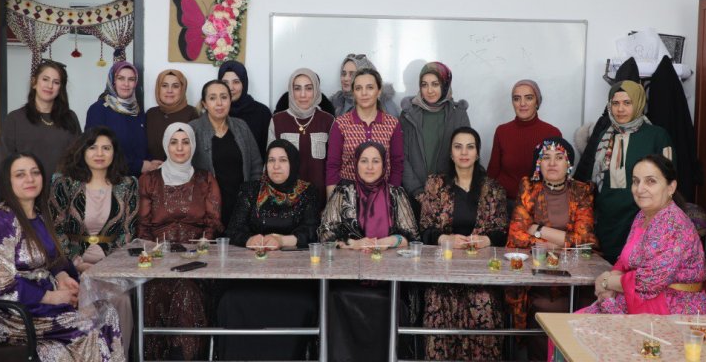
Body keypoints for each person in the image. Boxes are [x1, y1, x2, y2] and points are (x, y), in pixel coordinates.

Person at [0, 153, 123, 361]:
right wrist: (52, 297)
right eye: (20, 175)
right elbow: (2, 285)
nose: (30, 179)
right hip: (5, 311)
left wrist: (62, 276)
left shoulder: (40, 215)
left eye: (35, 173)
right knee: (85, 326)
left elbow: (51, 258)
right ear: (7, 181)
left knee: (107, 312)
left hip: (41, 297)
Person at [217, 140, 320, 360]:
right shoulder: (251, 190)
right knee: (231, 300)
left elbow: (312, 232)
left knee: (302, 304)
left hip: (293, 278)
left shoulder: (307, 192)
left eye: (283, 160)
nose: (276, 166)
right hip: (252, 275)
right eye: (271, 160)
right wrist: (250, 239)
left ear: (293, 163)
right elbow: (233, 229)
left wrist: (282, 240)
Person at [319, 141, 418, 362]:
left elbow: (412, 237)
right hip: (348, 281)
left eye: (376, 161)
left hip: (389, 282)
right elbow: (325, 236)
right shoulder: (342, 193)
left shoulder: (396, 194)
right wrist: (354, 244)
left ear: (384, 165)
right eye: (364, 161)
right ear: (356, 164)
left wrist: (387, 242)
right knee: (334, 297)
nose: (370, 167)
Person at [417, 127, 508, 360]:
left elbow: (501, 232)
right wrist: (445, 239)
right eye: (458, 147)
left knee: (484, 301)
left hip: (481, 273)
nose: (464, 153)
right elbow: (424, 229)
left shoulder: (493, 188)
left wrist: (486, 240)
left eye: (470, 147)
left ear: (477, 153)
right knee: (436, 301)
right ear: (451, 153)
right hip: (443, 272)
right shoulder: (435, 185)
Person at [579, 154, 706, 315]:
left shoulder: (673, 223)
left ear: (671, 187)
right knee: (573, 323)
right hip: (638, 297)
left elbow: (649, 281)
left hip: (672, 308)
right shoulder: (643, 215)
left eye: (650, 181)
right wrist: (610, 281)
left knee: (580, 326)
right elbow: (625, 259)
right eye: (636, 181)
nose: (639, 189)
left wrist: (607, 281)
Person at [138, 123, 224, 360]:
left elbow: (213, 224)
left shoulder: (206, 180)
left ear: (193, 146)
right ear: (166, 145)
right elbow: (143, 228)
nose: (179, 148)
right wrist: (156, 259)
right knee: (156, 290)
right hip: (158, 262)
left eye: (185, 142)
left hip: (197, 263)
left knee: (187, 290)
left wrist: (198, 251)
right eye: (174, 142)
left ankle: (186, 356)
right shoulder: (149, 180)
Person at [505, 137, 597, 357]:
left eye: (559, 157)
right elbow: (516, 236)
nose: (552, 163)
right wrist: (560, 241)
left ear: (569, 164)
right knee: (544, 306)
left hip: (576, 277)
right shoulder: (529, 188)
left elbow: (585, 240)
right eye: (546, 157)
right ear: (539, 164)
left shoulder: (582, 191)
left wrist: (538, 230)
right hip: (537, 276)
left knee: (587, 305)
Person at [49, 126, 137, 354]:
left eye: (106, 148)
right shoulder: (64, 184)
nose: (99, 153)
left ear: (114, 153)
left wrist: (105, 266)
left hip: (112, 267)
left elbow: (128, 232)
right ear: (82, 151)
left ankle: (119, 357)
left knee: (122, 299)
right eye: (93, 147)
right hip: (72, 267)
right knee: (82, 298)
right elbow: (56, 230)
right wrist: (77, 263)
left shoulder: (128, 185)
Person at [585, 80, 674, 263]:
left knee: (635, 266)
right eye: (615, 103)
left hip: (642, 216)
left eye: (627, 103)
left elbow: (668, 179)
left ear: (639, 103)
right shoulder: (605, 135)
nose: (620, 109)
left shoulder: (657, 135)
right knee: (606, 268)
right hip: (608, 220)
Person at [190, 80, 262, 227]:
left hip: (242, 207)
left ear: (230, 100)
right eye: (212, 98)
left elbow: (256, 165)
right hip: (206, 210)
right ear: (204, 104)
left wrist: (251, 197)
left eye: (224, 97)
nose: (219, 103)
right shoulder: (193, 129)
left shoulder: (242, 127)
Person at [400, 62, 470, 207]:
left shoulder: (458, 114)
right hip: (414, 197)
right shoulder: (408, 114)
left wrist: (447, 192)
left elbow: (466, 156)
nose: (429, 90)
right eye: (424, 85)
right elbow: (401, 157)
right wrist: (418, 192)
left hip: (449, 198)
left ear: (445, 85)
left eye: (435, 84)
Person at [326, 68, 404, 196]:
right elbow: (333, 167)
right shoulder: (340, 124)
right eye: (358, 88)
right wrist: (332, 201)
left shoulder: (392, 124)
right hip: (348, 195)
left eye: (370, 87)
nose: (364, 93)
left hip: (383, 195)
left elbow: (397, 165)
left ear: (379, 91)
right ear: (353, 92)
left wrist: (390, 197)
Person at [0, 59, 81, 180]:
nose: (50, 86)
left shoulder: (70, 117)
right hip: (27, 187)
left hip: (63, 188)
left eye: (56, 82)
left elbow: (78, 157)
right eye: (45, 79)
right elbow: (4, 164)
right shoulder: (14, 119)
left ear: (60, 88)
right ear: (34, 82)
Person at [268, 68, 335, 206]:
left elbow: (333, 166)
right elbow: (270, 166)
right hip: (286, 202)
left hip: (321, 201)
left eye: (309, 88)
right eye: (297, 88)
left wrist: (331, 203)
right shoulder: (277, 121)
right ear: (291, 91)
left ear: (316, 90)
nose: (303, 94)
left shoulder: (328, 121)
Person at [487, 79, 563, 201]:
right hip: (504, 202)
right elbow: (492, 172)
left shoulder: (552, 133)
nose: (522, 103)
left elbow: (559, 176)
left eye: (529, 98)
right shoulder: (502, 131)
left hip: (539, 204)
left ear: (537, 102)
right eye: (516, 99)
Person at [86, 61, 159, 177]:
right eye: (121, 78)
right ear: (113, 81)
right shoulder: (98, 110)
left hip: (139, 180)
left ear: (135, 83)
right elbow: (96, 151)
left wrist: (151, 163)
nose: (126, 84)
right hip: (110, 179)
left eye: (131, 79)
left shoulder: (138, 111)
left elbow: (141, 146)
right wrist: (139, 165)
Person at [218, 60, 272, 158]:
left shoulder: (262, 113)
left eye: (236, 82)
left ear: (244, 83)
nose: (230, 87)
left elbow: (268, 152)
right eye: (225, 82)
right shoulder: (214, 112)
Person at [146, 69, 199, 161]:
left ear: (182, 89)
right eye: (164, 85)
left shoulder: (193, 113)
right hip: (153, 168)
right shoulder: (151, 114)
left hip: (183, 169)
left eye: (175, 86)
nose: (169, 90)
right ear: (158, 89)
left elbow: (198, 152)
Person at [328, 53, 399, 117]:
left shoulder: (385, 106)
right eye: (343, 74)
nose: (345, 78)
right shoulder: (335, 102)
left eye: (352, 74)